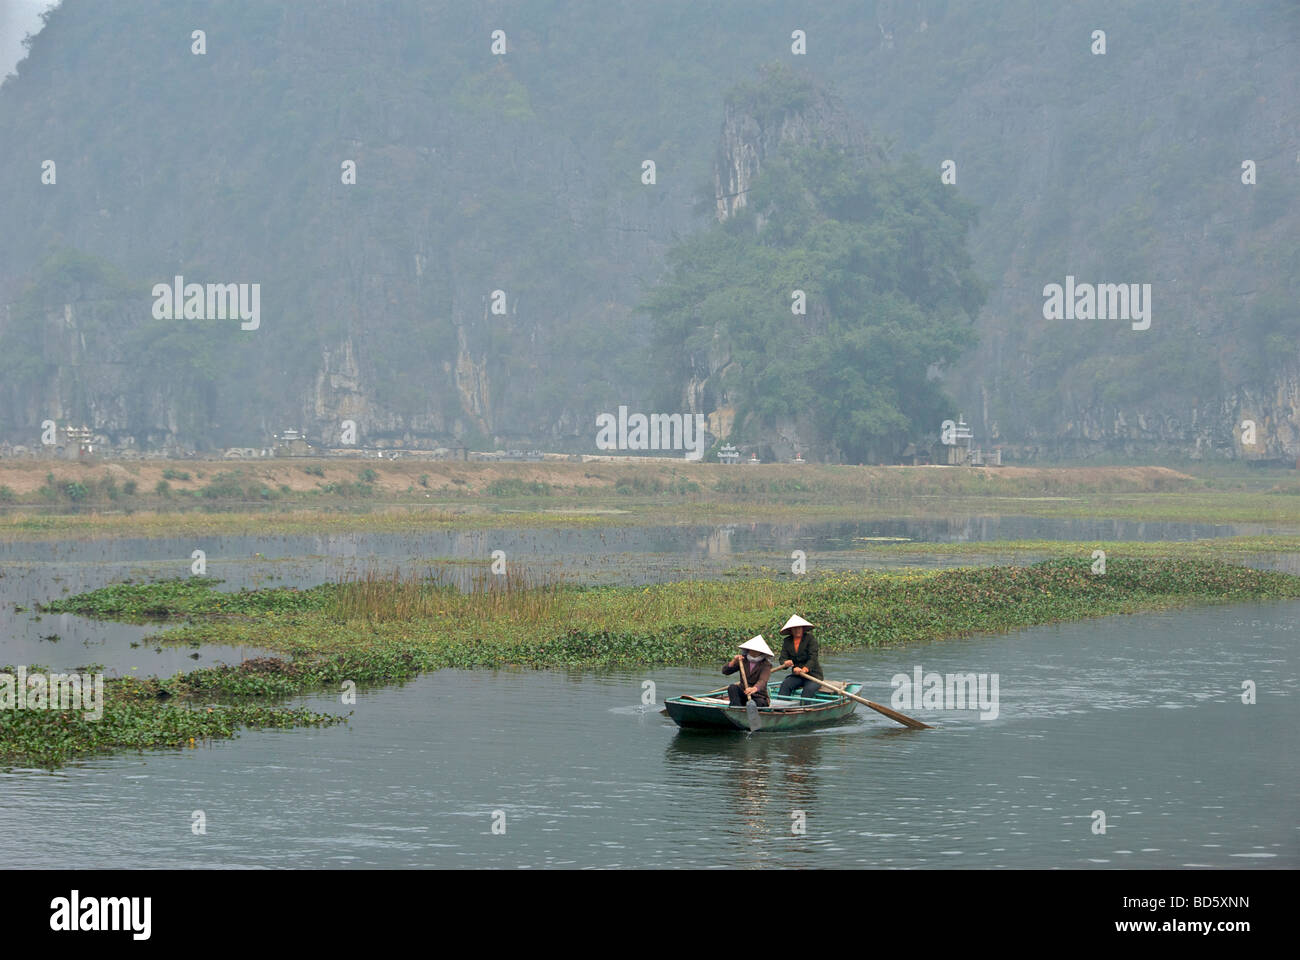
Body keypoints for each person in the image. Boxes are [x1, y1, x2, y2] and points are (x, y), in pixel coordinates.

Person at [776, 614, 826, 701]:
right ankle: (781, 709)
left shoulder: (810, 639)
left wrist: (804, 669)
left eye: (799, 628)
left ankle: (805, 710)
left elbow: (813, 658)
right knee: (785, 685)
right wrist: (785, 663)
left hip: (813, 676)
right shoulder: (787, 641)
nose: (797, 630)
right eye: (794, 628)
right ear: (791, 630)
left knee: (807, 692)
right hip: (797, 675)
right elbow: (782, 658)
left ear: (803, 629)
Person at [723, 635, 773, 707]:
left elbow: (762, 681)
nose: (753, 651)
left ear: (761, 652)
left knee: (758, 703)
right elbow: (725, 671)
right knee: (732, 688)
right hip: (744, 693)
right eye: (751, 649)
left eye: (756, 650)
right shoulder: (743, 660)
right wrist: (733, 661)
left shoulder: (766, 664)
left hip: (758, 696)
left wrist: (754, 689)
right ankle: (737, 708)